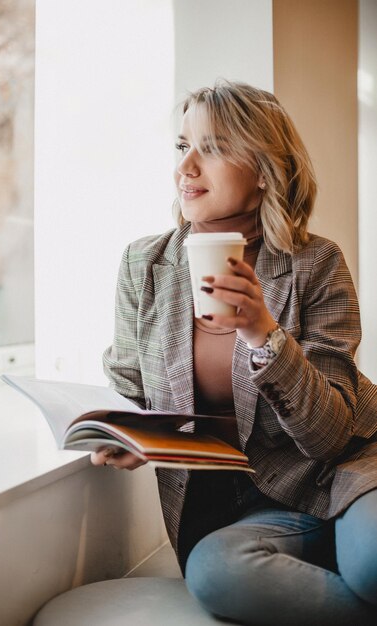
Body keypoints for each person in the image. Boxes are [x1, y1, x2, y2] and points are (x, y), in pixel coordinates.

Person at [91, 81, 377, 625]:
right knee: (218, 573)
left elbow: (332, 436)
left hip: (341, 473)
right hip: (240, 511)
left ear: (265, 169)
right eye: (181, 147)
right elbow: (128, 385)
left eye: (214, 147)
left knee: (373, 568)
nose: (186, 167)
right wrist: (122, 434)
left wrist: (263, 333)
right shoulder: (143, 265)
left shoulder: (316, 264)